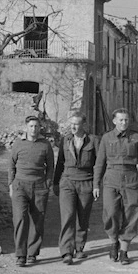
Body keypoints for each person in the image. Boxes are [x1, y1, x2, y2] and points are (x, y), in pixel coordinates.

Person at [93, 108, 138, 265]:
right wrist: (96, 184)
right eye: (121, 120)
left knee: (131, 213)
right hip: (111, 178)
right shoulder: (106, 138)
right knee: (110, 212)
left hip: (131, 178)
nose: (124, 122)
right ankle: (113, 241)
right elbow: (99, 163)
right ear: (114, 121)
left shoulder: (136, 137)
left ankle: (124, 250)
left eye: (126, 120)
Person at [53, 112, 100, 265]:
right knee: (67, 216)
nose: (73, 127)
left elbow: (99, 164)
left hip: (86, 181)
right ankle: (67, 251)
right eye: (71, 123)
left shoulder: (93, 141)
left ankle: (79, 247)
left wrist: (97, 184)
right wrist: (55, 182)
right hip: (67, 181)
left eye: (76, 124)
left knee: (83, 217)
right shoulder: (65, 140)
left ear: (83, 125)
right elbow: (60, 162)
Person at [8, 115, 54, 267]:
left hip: (39, 186)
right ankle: (21, 254)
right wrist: (11, 185)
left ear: (40, 127)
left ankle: (32, 253)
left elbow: (50, 167)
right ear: (26, 127)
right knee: (20, 219)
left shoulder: (45, 145)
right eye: (31, 126)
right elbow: (11, 166)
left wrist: (47, 184)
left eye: (36, 126)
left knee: (37, 220)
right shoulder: (18, 144)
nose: (33, 129)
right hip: (20, 185)